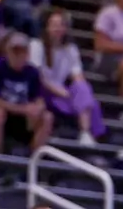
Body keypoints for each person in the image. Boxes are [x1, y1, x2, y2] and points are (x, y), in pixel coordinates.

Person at [32, 8, 105, 145]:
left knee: (86, 93)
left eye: (61, 25)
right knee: (83, 97)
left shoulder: (70, 49)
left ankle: (86, 133)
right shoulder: (37, 45)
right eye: (54, 25)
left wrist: (80, 93)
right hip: (42, 90)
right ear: (47, 27)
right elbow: (38, 77)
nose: (57, 28)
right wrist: (63, 93)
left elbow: (78, 76)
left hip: (62, 92)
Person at [0, 32, 52, 154]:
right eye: (15, 51)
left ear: (27, 54)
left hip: (24, 119)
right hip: (2, 115)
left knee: (47, 117)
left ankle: (32, 161)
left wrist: (37, 108)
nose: (18, 55)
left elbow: (40, 99)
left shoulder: (33, 72)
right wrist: (22, 109)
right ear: (8, 51)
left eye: (22, 51)